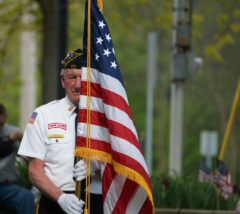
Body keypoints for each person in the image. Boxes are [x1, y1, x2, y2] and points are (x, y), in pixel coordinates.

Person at [18, 49, 103, 214]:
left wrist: (96, 165)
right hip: (54, 202)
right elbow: (34, 171)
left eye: (83, 77)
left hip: (97, 203)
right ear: (62, 81)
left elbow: (122, 166)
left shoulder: (107, 119)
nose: (78, 84)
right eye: (72, 77)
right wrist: (61, 198)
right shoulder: (44, 115)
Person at [0, 103, 35, 214]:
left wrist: (23, 140)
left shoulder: (11, 131)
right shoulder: (11, 135)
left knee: (26, 197)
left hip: (6, 186)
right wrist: (10, 139)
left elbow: (27, 155)